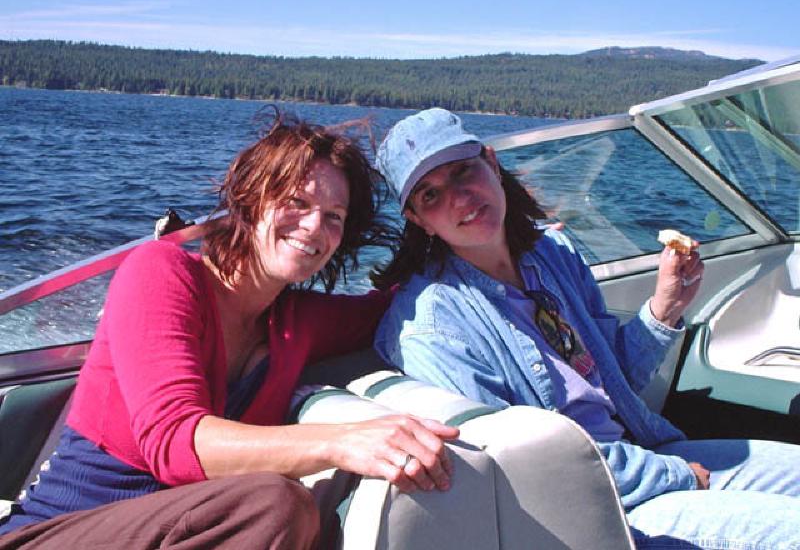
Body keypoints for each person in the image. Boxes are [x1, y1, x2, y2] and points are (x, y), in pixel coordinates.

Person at [0, 111, 458, 549]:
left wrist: (460, 239)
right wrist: (346, 440)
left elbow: (392, 305)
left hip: (190, 531)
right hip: (58, 532)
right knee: (277, 505)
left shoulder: (296, 323)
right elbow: (174, 442)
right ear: (251, 200)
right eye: (296, 202)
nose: (314, 226)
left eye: (333, 216)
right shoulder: (161, 272)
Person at [372, 107, 800, 549]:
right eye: (430, 196)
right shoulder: (431, 327)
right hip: (600, 507)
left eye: (464, 171)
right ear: (418, 220)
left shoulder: (552, 254)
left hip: (645, 452)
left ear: (492, 163)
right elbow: (526, 465)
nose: (459, 198)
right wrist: (673, 474)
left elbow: (616, 382)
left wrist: (664, 308)